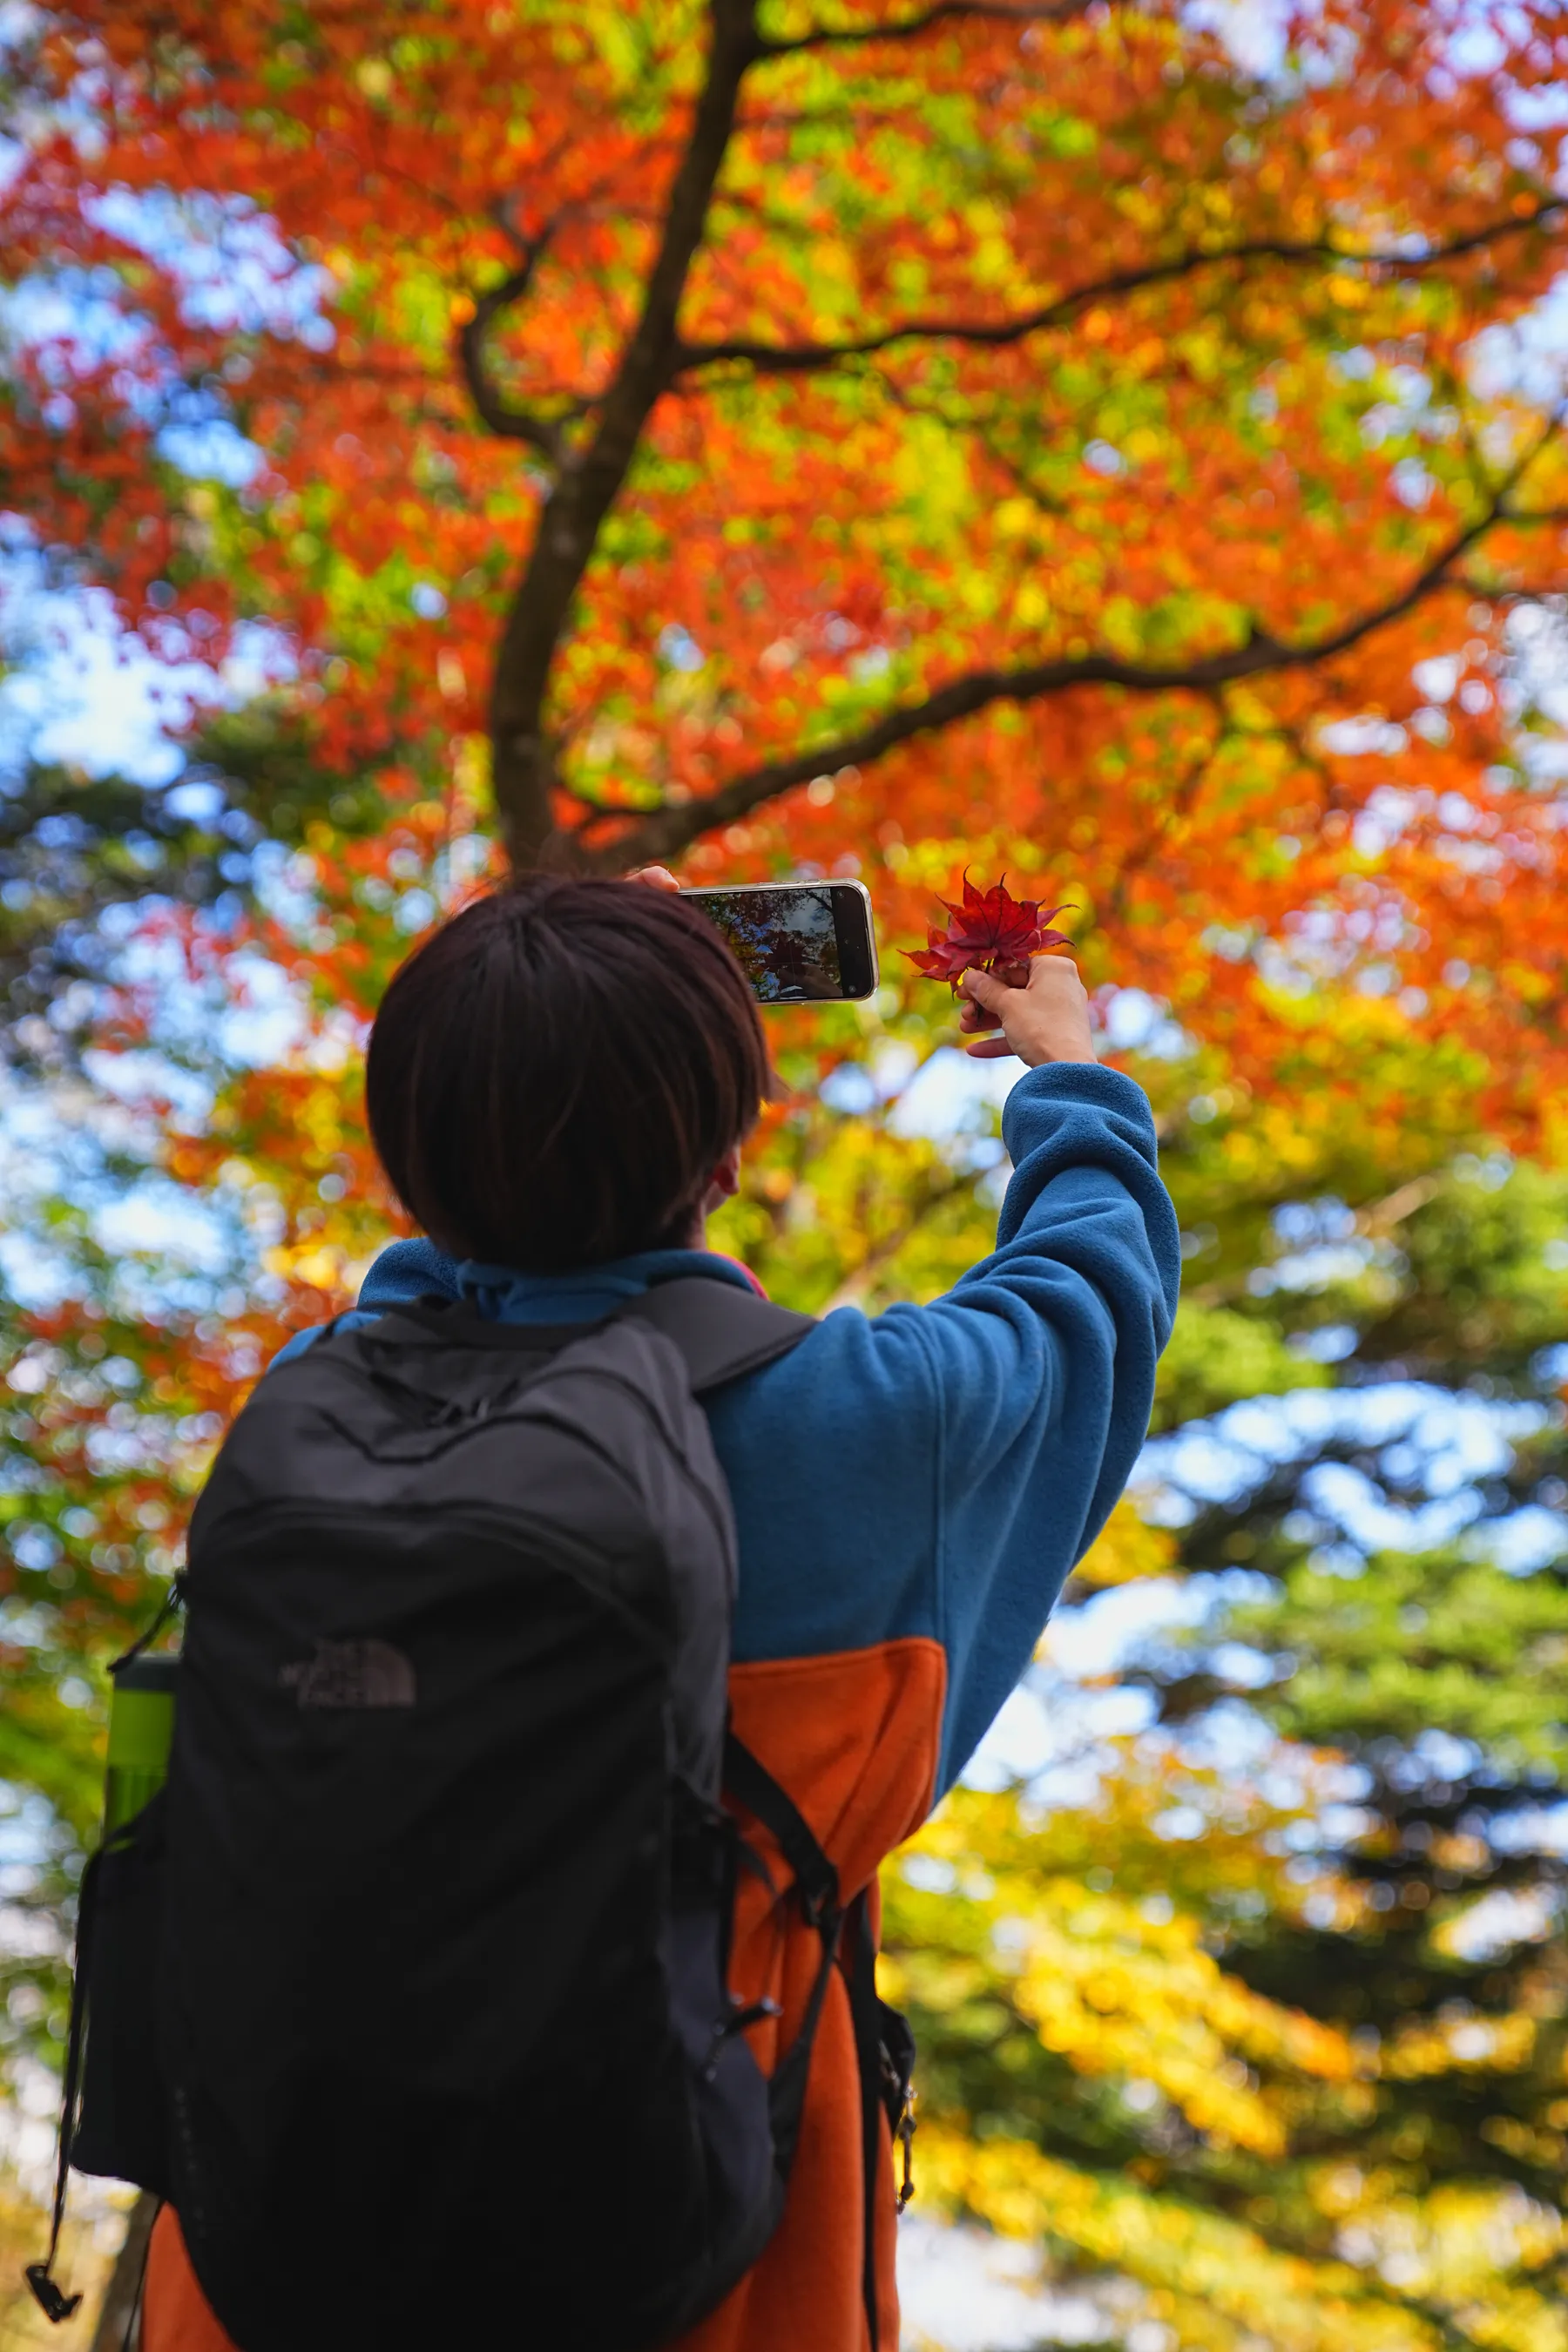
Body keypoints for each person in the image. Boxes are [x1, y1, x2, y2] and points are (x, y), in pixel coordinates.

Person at [141, 867, 1179, 2352]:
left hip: (258, 2286)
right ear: (730, 1151)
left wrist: (549, 995)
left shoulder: (309, 1418)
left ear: (409, 1150)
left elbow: (441, 1283)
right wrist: (1072, 1073)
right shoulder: (877, 1428)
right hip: (713, 2285)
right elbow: (1093, 1292)